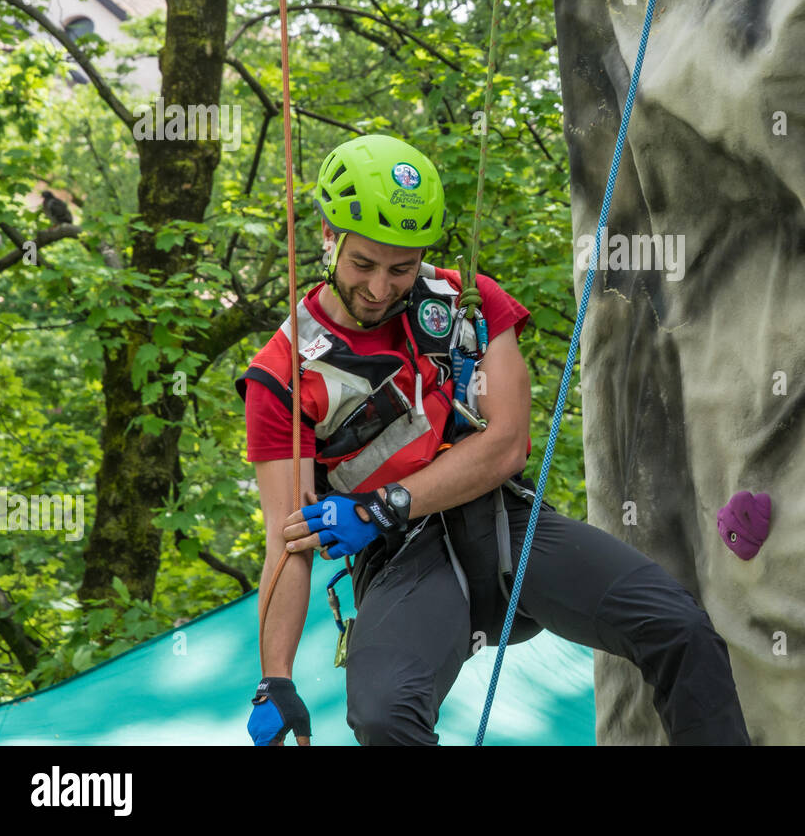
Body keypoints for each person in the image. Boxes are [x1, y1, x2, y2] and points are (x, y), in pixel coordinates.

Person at [237, 133, 750, 745]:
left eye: (401, 269)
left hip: (500, 523)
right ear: (329, 236)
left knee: (679, 627)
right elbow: (287, 540)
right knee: (382, 716)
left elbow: (506, 444)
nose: (380, 288)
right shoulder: (283, 373)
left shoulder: (466, 304)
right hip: (404, 559)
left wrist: (379, 505)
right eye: (363, 265)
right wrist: (277, 677)